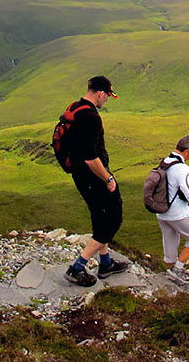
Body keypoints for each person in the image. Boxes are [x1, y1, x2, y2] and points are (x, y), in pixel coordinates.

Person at [63, 75, 129, 287]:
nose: (106, 100)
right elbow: (91, 158)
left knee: (100, 218)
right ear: (100, 93)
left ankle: (106, 263)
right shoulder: (90, 117)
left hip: (81, 176)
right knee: (112, 220)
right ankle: (77, 268)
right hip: (93, 177)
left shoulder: (75, 108)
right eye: (107, 96)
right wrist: (108, 178)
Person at [156, 134, 189, 284]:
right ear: (186, 152)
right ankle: (178, 268)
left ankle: (171, 270)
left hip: (160, 210)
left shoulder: (164, 162)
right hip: (177, 212)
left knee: (170, 237)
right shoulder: (182, 168)